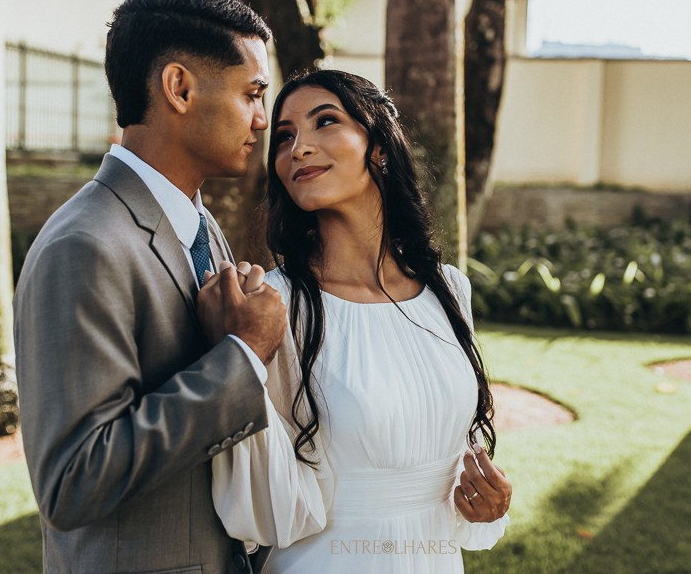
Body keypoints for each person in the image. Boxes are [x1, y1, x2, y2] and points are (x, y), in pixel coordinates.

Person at [14, 0, 286, 574]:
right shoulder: (83, 246)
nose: (263, 120)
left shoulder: (200, 225)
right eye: (253, 94)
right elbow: (72, 482)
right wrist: (242, 356)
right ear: (180, 88)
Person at [208, 69, 512, 573]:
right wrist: (236, 354)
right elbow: (259, 504)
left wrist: (488, 503)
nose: (299, 148)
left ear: (379, 149)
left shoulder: (449, 290)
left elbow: (452, 445)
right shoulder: (274, 306)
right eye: (284, 137)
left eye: (324, 121)